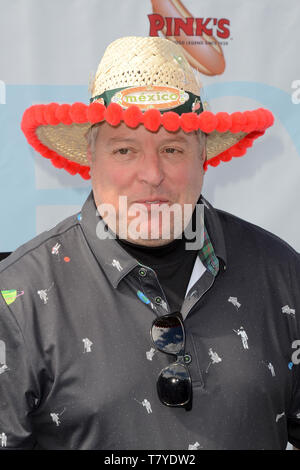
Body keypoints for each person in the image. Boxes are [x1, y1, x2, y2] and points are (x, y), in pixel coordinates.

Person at [0, 36, 299, 450]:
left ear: (203, 158)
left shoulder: (283, 274)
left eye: (172, 148)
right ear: (91, 157)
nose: (152, 174)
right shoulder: (17, 298)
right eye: (125, 149)